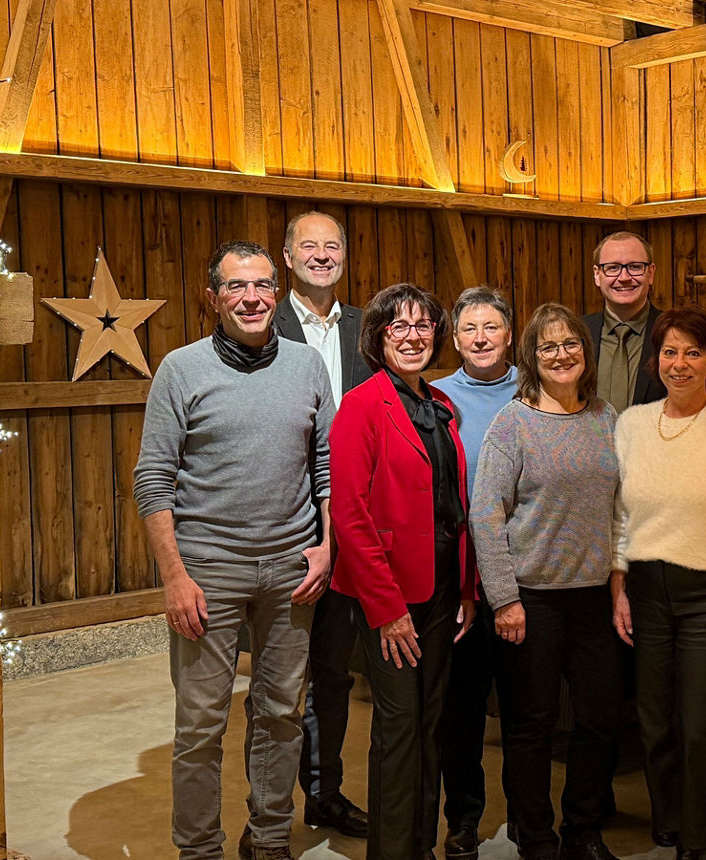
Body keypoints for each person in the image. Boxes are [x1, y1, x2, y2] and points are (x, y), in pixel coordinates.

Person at [133, 240, 335, 860]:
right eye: (235, 287)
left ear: (276, 292)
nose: (251, 298)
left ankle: (270, 837)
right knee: (201, 724)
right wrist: (174, 577)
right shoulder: (181, 369)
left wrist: (327, 546)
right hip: (207, 571)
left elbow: (325, 466)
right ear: (214, 297)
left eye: (262, 286)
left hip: (292, 569)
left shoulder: (306, 366)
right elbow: (153, 479)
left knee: (280, 713)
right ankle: (198, 848)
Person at [329, 283, 478, 860]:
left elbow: (451, 504)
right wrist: (387, 611)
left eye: (423, 326)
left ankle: (419, 844)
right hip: (390, 597)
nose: (413, 336)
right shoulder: (362, 405)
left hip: (441, 588)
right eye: (399, 326)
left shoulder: (440, 405)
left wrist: (466, 589)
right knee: (398, 730)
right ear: (379, 337)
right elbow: (350, 515)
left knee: (429, 723)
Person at [470, 303, 622, 860]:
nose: (562, 355)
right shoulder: (512, 423)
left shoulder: (606, 418)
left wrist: (619, 586)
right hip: (530, 600)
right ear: (532, 358)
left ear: (586, 352)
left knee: (599, 720)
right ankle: (534, 834)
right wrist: (505, 599)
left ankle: (583, 830)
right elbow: (485, 513)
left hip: (593, 599)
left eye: (571, 344)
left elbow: (620, 508)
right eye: (548, 347)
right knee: (530, 725)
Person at [608, 306, 706, 859]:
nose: (680, 363)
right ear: (656, 360)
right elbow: (619, 516)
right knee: (655, 720)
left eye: (693, 352)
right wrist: (618, 586)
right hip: (646, 587)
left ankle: (703, 840)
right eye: (670, 351)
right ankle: (668, 821)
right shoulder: (632, 425)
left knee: (702, 725)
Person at [274, 209, 371, 838]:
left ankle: (324, 791)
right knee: (280, 678)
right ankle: (269, 809)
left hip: (353, 519)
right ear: (287, 256)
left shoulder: (367, 328)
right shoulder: (262, 321)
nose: (320, 255)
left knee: (334, 670)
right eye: (308, 246)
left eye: (331, 246)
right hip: (282, 519)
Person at [431, 286, 519, 860]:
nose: (481, 338)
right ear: (456, 338)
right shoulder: (435, 397)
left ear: (511, 334)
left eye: (491, 327)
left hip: (523, 573)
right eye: (470, 329)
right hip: (460, 580)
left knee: (523, 710)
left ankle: (530, 819)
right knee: (460, 713)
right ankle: (463, 819)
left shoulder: (538, 391)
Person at [584, 231, 667, 413]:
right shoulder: (577, 334)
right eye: (613, 268)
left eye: (635, 267)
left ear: (651, 273)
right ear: (597, 275)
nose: (624, 277)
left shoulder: (672, 332)